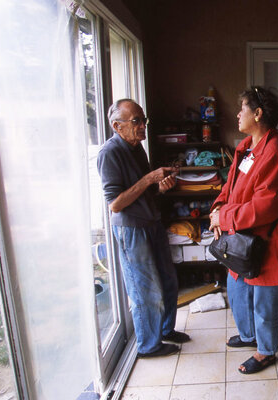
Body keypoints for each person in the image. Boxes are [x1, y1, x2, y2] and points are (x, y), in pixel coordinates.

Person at [209, 86, 278, 374]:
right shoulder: (248, 146)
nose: (238, 114)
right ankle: (249, 336)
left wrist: (224, 218)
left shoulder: (275, 152)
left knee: (263, 297)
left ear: (258, 113)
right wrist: (217, 209)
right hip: (241, 234)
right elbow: (231, 185)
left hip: (267, 238)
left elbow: (265, 208)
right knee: (238, 289)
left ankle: (266, 351)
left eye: (243, 109)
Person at [97, 98, 190, 358]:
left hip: (152, 222)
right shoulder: (109, 153)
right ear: (118, 126)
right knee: (145, 289)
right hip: (132, 229)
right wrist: (150, 178)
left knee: (169, 280)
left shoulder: (137, 148)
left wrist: (160, 187)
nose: (142, 126)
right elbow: (115, 204)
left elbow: (145, 192)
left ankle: (165, 330)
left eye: (142, 120)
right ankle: (149, 345)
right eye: (136, 121)